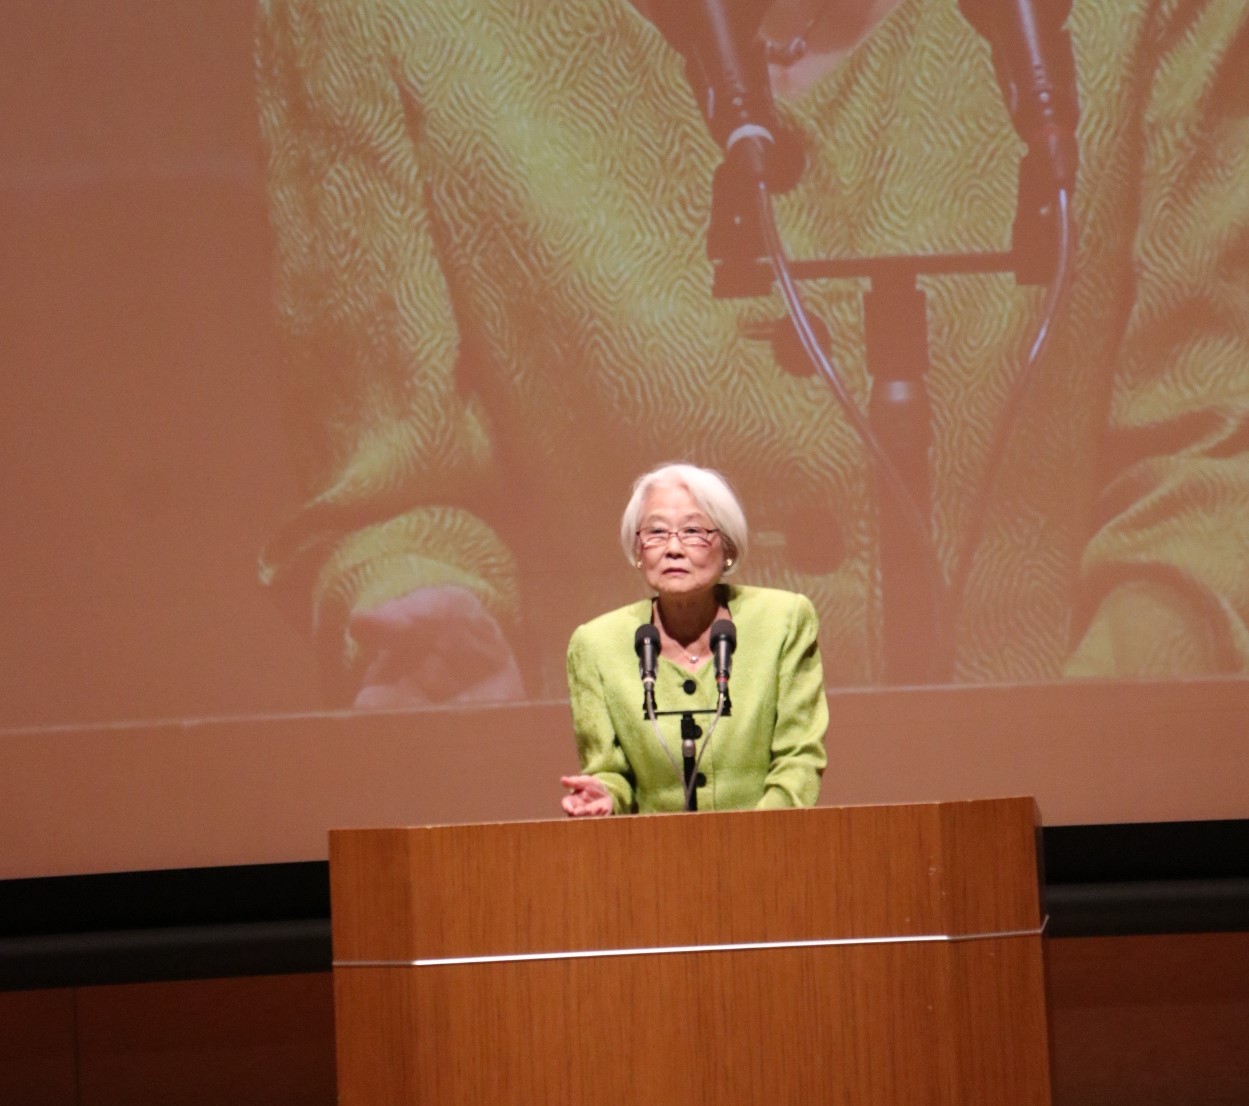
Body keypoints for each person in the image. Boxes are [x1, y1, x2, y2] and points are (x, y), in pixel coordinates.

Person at [254, 0, 1249, 707]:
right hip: (625, 890)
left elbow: (1207, 459)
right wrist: (430, 617)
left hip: (1082, 911)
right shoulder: (377, 19)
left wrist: (1077, 778)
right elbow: (395, 490)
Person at [560, 463, 828, 815]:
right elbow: (610, 772)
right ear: (638, 551)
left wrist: (758, 839)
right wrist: (606, 798)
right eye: (656, 532)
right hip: (654, 859)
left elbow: (799, 757)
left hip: (770, 851)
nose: (673, 548)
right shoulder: (595, 645)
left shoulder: (784, 622)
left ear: (727, 545)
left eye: (692, 531)